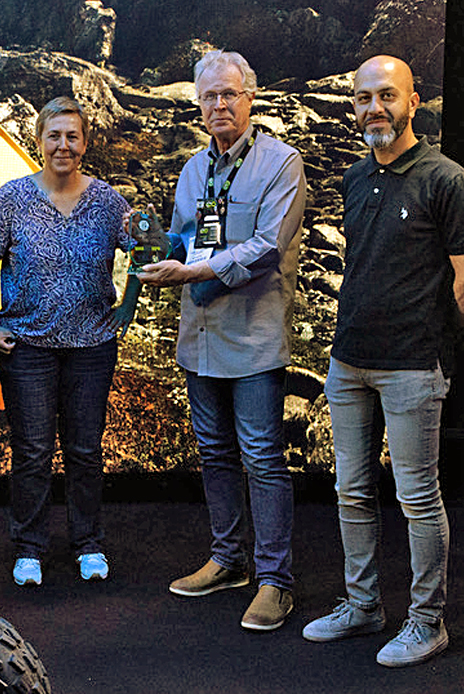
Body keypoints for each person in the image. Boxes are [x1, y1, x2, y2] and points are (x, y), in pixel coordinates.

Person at [302, 55, 464, 667]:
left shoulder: (446, 179)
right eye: (363, 98)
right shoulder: (356, 177)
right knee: (351, 491)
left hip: (412, 365)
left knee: (417, 498)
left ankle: (427, 622)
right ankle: (363, 607)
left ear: (413, 101)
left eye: (387, 95)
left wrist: (436, 337)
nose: (374, 108)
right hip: (349, 361)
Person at [137, 50, 306, 631]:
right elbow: (184, 240)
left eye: (229, 94)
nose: (218, 105)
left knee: (262, 456)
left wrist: (191, 271)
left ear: (250, 97)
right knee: (213, 452)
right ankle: (228, 560)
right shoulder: (192, 169)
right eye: (208, 96)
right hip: (200, 337)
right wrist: (152, 248)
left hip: (254, 338)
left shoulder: (281, 163)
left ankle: (274, 580)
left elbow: (267, 248)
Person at [0, 96, 140, 587]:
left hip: (92, 345)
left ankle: (88, 543)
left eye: (72, 136)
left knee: (85, 450)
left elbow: (145, 249)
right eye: (54, 136)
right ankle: (30, 548)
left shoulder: (108, 201)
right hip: (28, 345)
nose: (63, 145)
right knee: (32, 451)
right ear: (39, 141)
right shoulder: (12, 198)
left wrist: (127, 307)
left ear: (85, 143)